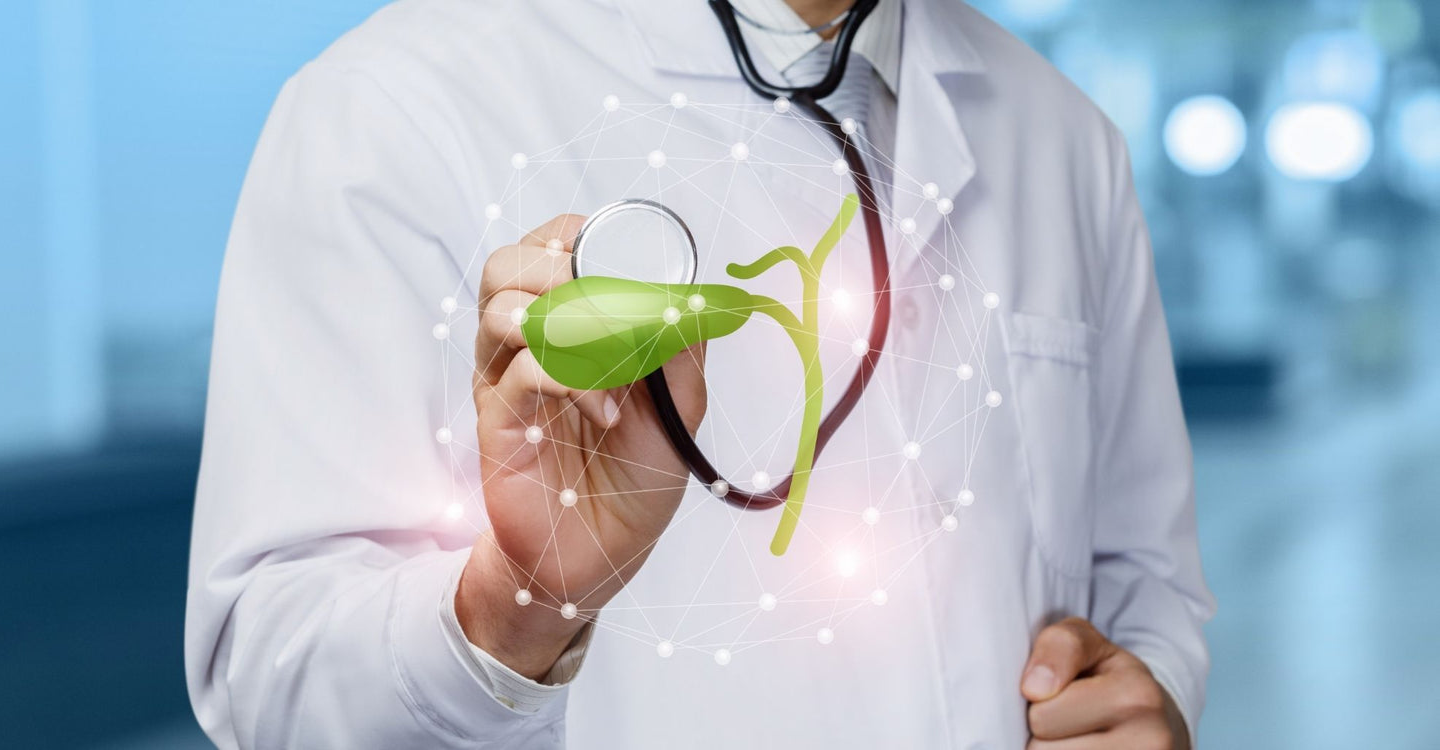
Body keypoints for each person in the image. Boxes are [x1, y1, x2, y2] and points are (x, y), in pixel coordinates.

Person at [186, 0, 1214, 747]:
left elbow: (1147, 581)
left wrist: (1144, 693)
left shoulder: (1063, 136)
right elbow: (270, 686)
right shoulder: (390, 112)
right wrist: (520, 603)